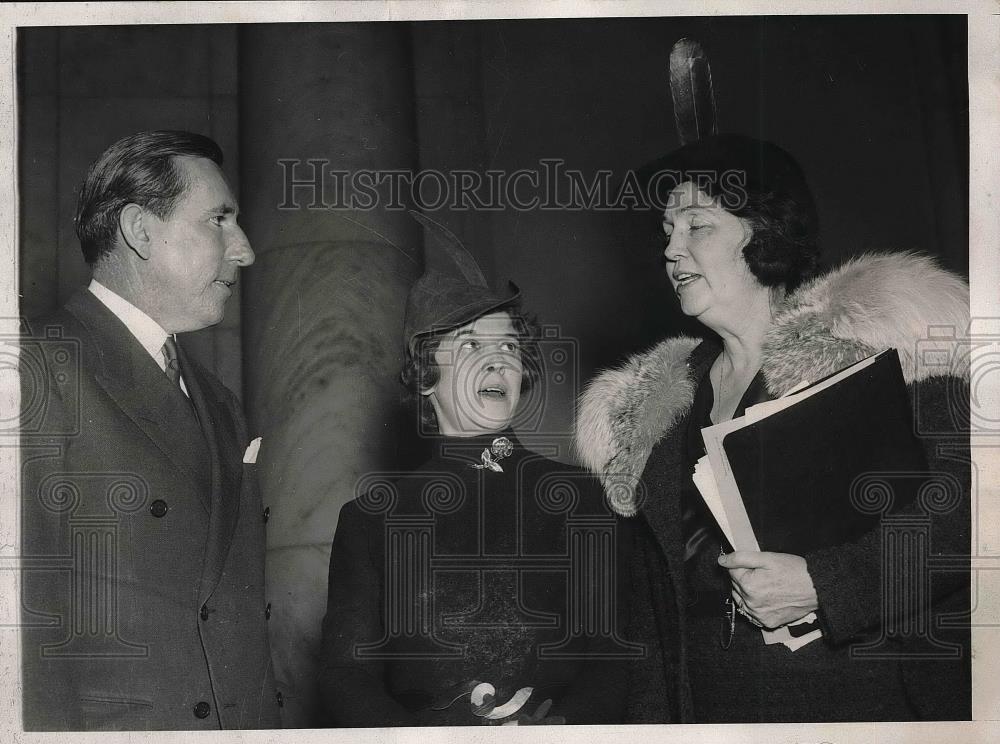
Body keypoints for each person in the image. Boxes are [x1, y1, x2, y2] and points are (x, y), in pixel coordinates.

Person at [575, 134, 970, 722]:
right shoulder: (655, 407)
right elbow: (652, 627)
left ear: (762, 231)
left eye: (697, 226)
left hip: (869, 704)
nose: (671, 249)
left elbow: (974, 521)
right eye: (667, 230)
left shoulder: (885, 344)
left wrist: (826, 584)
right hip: (712, 710)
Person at [318, 217, 634, 726]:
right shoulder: (371, 518)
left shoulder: (583, 497)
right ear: (425, 377)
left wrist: (554, 735)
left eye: (508, 348)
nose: (497, 363)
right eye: (470, 346)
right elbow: (344, 676)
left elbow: (616, 660)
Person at [20, 131, 281, 730]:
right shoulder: (35, 367)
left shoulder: (219, 400)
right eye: (219, 219)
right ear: (140, 231)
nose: (243, 250)